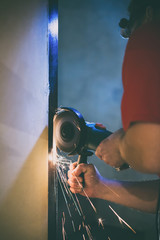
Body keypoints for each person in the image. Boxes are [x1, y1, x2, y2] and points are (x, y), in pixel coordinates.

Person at [68, 0, 160, 236]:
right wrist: (102, 187)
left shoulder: (149, 33)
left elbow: (149, 153)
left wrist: (122, 144)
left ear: (148, 12)